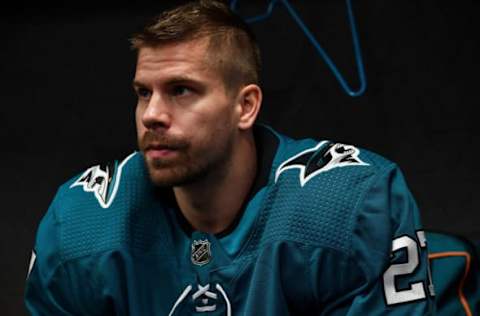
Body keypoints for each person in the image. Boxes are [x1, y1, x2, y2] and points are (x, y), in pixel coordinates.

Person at [24, 1, 436, 315]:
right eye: (143, 93)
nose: (152, 115)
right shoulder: (79, 223)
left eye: (181, 90)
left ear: (246, 106)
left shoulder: (349, 206)